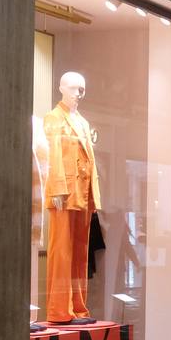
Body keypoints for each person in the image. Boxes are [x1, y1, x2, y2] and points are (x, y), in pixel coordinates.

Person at [44, 71, 101, 325]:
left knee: (80, 252)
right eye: (75, 88)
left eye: (82, 89)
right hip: (64, 195)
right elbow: (52, 154)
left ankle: (78, 307)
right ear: (61, 89)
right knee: (62, 252)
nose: (80, 93)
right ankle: (59, 309)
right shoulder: (54, 119)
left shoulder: (83, 122)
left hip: (83, 194)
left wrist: (93, 196)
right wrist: (56, 188)